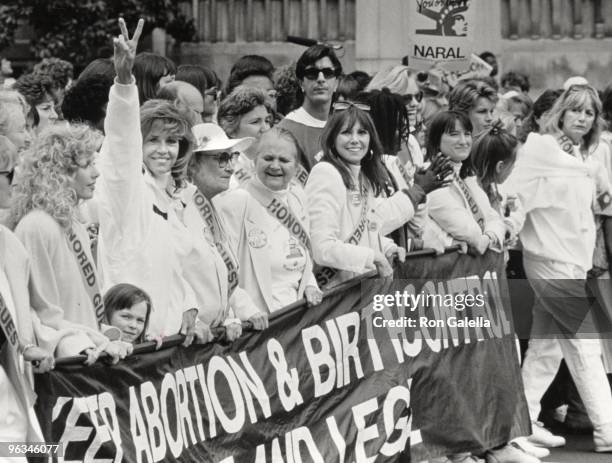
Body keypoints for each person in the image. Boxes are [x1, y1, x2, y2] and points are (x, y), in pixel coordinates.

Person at [510, 84, 612, 453]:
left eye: (590, 113)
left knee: (546, 347)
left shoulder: (584, 157)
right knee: (583, 347)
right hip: (550, 258)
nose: (583, 119)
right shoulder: (540, 148)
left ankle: (518, 421)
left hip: (570, 259)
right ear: (561, 113)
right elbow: (513, 194)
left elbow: (600, 196)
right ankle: (608, 429)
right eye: (576, 111)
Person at [95, 18, 201, 345]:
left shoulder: (169, 196)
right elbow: (122, 144)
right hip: (126, 343)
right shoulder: (128, 188)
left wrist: (189, 306)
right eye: (153, 140)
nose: (164, 150)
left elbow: (172, 268)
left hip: (163, 345)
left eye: (172, 141)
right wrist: (125, 82)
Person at [9, 123, 133, 364]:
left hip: (88, 357)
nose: (96, 173)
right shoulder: (36, 226)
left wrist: (106, 337)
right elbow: (41, 314)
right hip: (68, 367)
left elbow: (82, 306)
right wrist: (84, 345)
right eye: (87, 165)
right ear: (58, 173)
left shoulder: (73, 223)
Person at [216, 127, 323, 313]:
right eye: (268, 158)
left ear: (296, 166)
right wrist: (245, 313)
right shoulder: (237, 201)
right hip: (256, 326)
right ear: (254, 160)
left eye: (284, 160)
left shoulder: (298, 197)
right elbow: (224, 271)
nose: (275, 166)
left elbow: (300, 254)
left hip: (294, 319)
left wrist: (309, 284)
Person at [305, 104, 407, 289]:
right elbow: (322, 248)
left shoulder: (364, 175)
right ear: (332, 138)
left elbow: (365, 233)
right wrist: (372, 257)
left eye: (362, 132)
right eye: (346, 133)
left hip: (361, 290)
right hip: (333, 292)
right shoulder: (325, 172)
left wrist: (387, 249)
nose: (355, 140)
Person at [0, 129, 56, 456]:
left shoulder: (10, 244)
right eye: (9, 172)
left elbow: (32, 311)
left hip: (15, 399)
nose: (16, 178)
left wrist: (27, 345)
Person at [182, 123, 269, 329]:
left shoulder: (213, 206)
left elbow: (222, 281)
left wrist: (245, 311)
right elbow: (171, 280)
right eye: (221, 158)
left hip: (209, 337)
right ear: (192, 163)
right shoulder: (177, 209)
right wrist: (192, 320)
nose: (230, 167)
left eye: (232, 157)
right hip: (185, 338)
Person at [426, 111, 506, 255]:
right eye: (454, 134)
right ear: (436, 140)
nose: (463, 141)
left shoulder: (468, 176)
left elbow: (495, 219)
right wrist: (480, 240)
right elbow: (465, 229)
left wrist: (488, 238)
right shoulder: (429, 176)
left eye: (467, 134)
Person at [277, 44, 342, 170]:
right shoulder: (285, 131)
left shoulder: (342, 126)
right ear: (301, 83)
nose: (321, 79)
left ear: (336, 83)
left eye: (328, 73)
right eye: (312, 73)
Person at [217, 86, 273, 188]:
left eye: (267, 121)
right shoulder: (222, 171)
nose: (265, 128)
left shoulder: (276, 164)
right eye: (255, 122)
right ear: (231, 129)